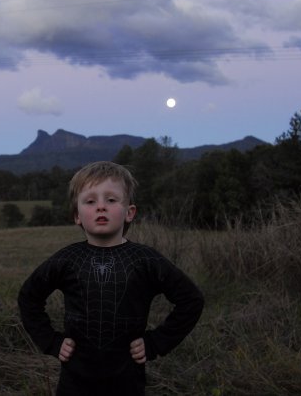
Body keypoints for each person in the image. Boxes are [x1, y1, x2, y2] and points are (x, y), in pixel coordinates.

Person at [18, 161, 204, 396]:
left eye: (111, 200)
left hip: (127, 381)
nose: (101, 207)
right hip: (75, 382)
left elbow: (191, 300)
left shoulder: (145, 259)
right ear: (77, 215)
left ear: (129, 212)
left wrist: (155, 342)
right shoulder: (67, 259)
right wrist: (52, 342)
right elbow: (29, 297)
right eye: (90, 201)